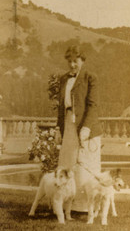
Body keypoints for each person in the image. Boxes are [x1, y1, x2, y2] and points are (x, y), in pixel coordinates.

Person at [56, 45, 102, 211]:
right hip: (69, 125)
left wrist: (87, 128)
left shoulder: (90, 77)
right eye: (69, 61)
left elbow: (93, 105)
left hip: (85, 127)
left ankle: (86, 206)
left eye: (75, 61)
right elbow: (61, 107)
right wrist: (58, 129)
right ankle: (68, 204)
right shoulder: (63, 79)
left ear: (82, 60)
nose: (72, 65)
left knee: (85, 165)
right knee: (68, 163)